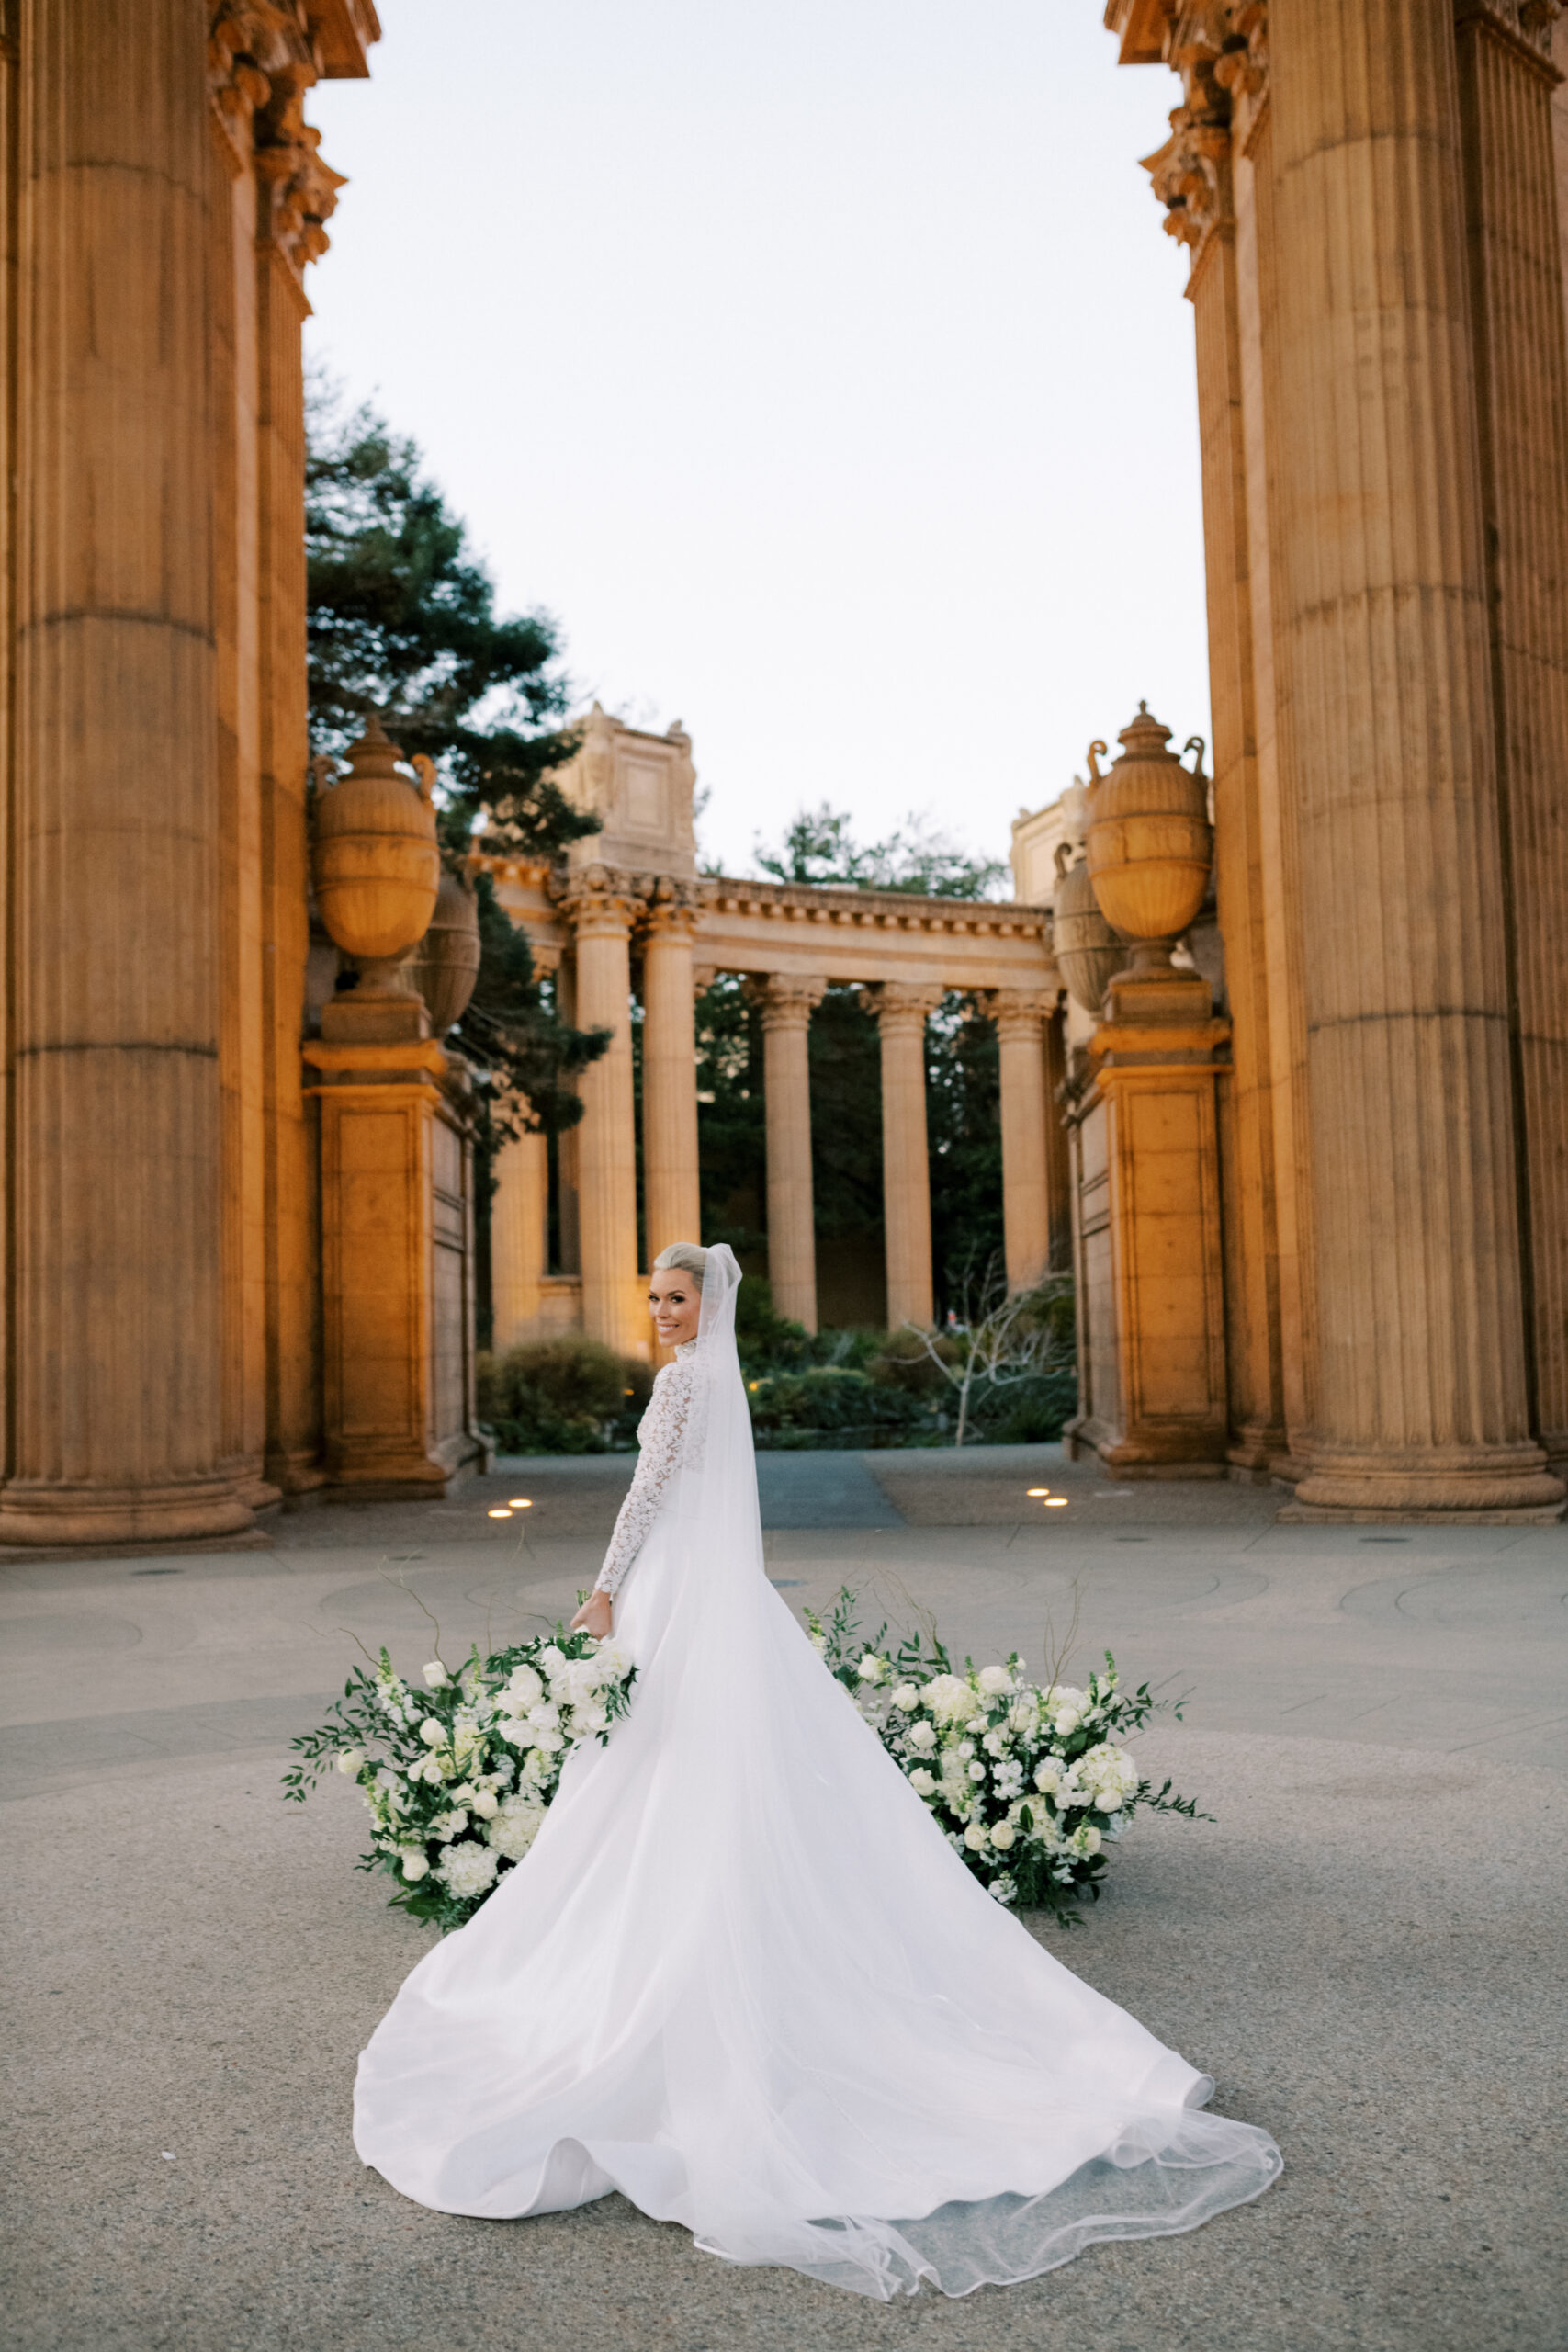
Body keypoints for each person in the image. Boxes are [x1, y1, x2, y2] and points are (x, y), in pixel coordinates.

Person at [353, 1243, 1280, 2299]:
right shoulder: (723, 1378)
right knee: (705, 1774)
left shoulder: (679, 1383)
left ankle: (682, 1951)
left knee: (661, 1776)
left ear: (709, 1303)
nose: (660, 1312)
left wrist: (604, 1593)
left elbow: (648, 1494)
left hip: (667, 1598)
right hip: (722, 1603)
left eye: (675, 1297)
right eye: (652, 1299)